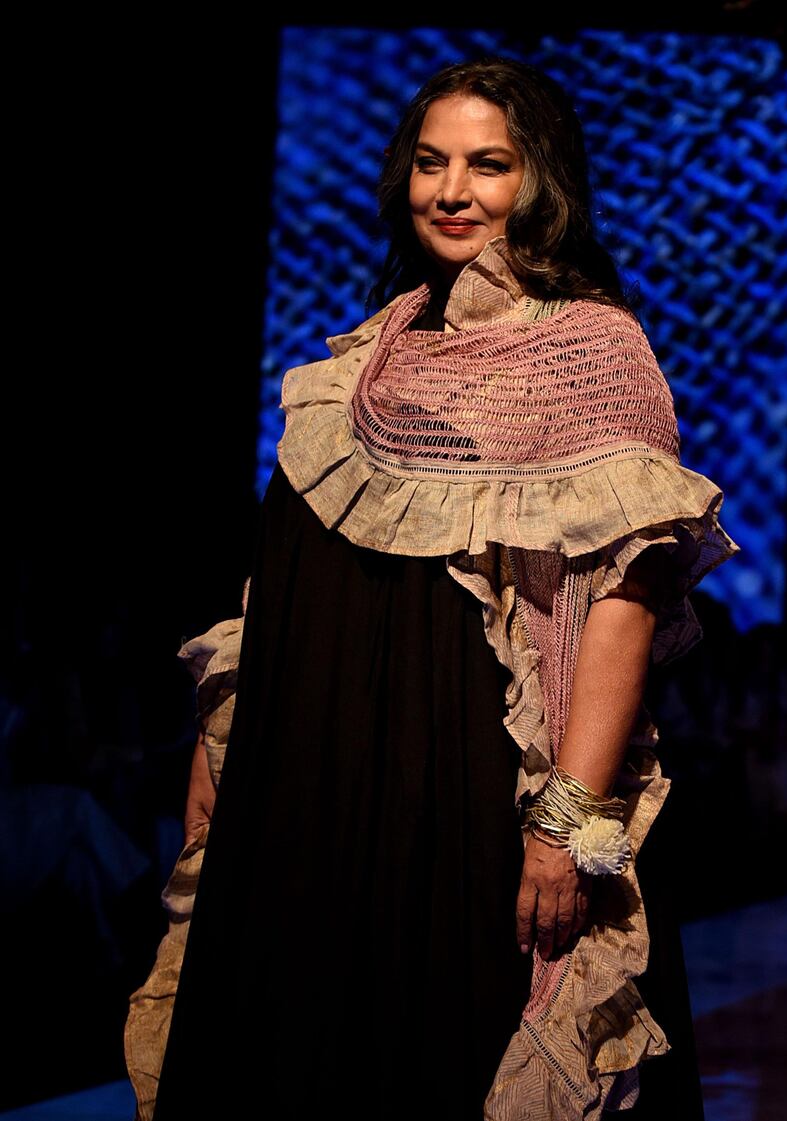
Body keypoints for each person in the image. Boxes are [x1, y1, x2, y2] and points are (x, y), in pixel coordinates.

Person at [135, 58, 739, 1120]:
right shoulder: (369, 358)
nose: (450, 190)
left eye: (487, 165)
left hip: (467, 794)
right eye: (429, 162)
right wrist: (217, 741)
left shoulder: (593, 354)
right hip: (315, 787)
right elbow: (282, 579)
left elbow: (622, 602)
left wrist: (564, 827)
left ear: (539, 179)